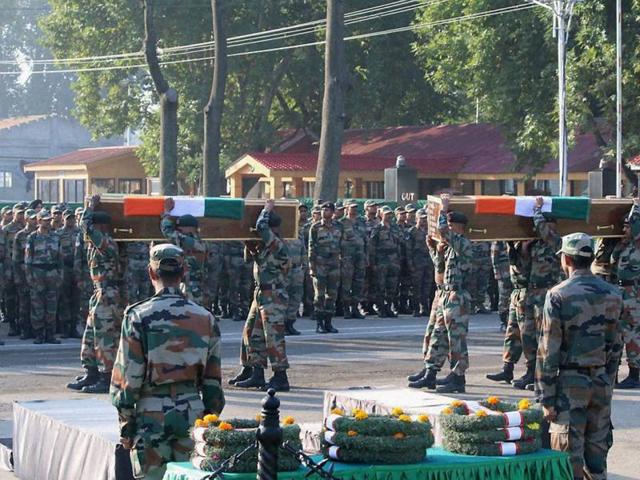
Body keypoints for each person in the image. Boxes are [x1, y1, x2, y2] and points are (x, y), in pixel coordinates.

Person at [111, 243, 225, 480]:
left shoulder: (138, 316)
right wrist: (208, 421)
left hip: (150, 414)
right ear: (183, 272)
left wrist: (126, 425)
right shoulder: (205, 317)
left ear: (151, 273)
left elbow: (128, 379)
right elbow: (213, 381)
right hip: (192, 413)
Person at [536, 232, 623, 480]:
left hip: (569, 384)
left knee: (568, 457)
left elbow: (548, 350)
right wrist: (607, 381)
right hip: (600, 381)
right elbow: (616, 345)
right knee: (597, 454)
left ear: (566, 259)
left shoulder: (558, 295)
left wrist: (546, 397)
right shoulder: (613, 293)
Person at [232, 200, 291, 391]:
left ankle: (280, 376)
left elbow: (260, 225)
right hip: (261, 293)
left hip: (273, 294)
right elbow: (250, 258)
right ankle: (254, 371)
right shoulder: (266, 247)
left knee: (273, 336)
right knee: (251, 333)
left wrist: (266, 209)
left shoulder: (278, 245)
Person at [419, 194, 473, 393]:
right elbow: (440, 271)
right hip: (447, 295)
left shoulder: (463, 244)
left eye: (451, 226)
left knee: (456, 339)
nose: (447, 230)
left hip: (458, 297)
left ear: (458, 227)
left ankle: (458, 377)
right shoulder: (451, 248)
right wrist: (434, 250)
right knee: (439, 335)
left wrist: (443, 208)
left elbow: (441, 229)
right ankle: (431, 373)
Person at [75, 195, 122, 394]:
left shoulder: (107, 243)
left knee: (105, 337)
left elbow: (84, 226)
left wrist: (90, 207)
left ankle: (106, 376)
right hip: (99, 292)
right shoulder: (95, 246)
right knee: (90, 336)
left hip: (108, 294)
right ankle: (91, 371)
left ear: (100, 227)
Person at [611, 198, 640, 388]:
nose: (625, 230)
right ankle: (614, 373)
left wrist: (636, 206)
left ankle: (634, 374)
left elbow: (636, 225)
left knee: (633, 336)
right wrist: (621, 242)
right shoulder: (626, 245)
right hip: (621, 292)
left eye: (627, 227)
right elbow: (613, 261)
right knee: (619, 335)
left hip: (634, 294)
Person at [24, 209, 62, 344]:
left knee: (52, 305)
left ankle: (50, 334)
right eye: (45, 220)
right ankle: (39, 334)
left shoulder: (56, 236)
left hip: (52, 273)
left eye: (48, 220)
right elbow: (28, 259)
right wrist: (29, 277)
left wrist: (60, 275)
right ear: (39, 221)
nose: (48, 223)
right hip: (37, 273)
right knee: (37, 305)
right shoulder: (32, 237)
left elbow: (60, 259)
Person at [161, 200, 207, 306]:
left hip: (191, 285)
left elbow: (167, 231)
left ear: (190, 228)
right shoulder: (199, 240)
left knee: (191, 309)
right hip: (194, 283)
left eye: (181, 227)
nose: (179, 229)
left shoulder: (189, 240)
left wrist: (167, 212)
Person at [308, 202, 342, 333]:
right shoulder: (315, 227)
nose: (324, 212)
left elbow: (341, 245)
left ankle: (328, 323)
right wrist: (312, 267)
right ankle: (319, 323)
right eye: (323, 210)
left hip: (334, 264)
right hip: (320, 265)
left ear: (333, 212)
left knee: (332, 295)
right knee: (319, 295)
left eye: (327, 210)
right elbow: (311, 248)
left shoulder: (339, 227)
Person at [369, 206, 401, 318]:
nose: (389, 216)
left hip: (394, 260)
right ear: (381, 215)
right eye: (386, 214)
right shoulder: (377, 228)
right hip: (381, 260)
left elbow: (399, 245)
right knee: (380, 286)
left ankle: (388, 307)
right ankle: (381, 308)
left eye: (390, 214)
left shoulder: (395, 228)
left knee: (392, 286)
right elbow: (372, 246)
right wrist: (373, 263)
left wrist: (398, 260)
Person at [13, 209, 37, 339]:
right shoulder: (20, 235)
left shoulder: (38, 235)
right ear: (27, 220)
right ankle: (24, 329)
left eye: (35, 218)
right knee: (24, 303)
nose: (34, 221)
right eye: (32, 218)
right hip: (23, 274)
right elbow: (16, 260)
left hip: (36, 274)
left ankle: (35, 329)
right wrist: (17, 277)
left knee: (35, 303)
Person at [57, 209, 81, 338]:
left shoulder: (80, 233)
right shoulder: (58, 234)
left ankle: (73, 327)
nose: (70, 220)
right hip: (64, 269)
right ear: (63, 219)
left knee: (76, 299)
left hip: (76, 269)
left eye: (72, 218)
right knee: (64, 299)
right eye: (68, 218)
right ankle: (64, 328)